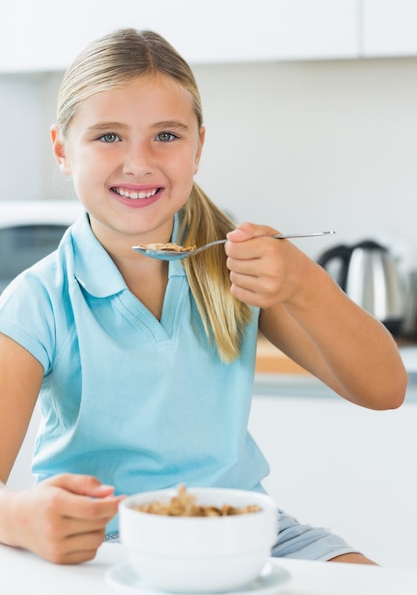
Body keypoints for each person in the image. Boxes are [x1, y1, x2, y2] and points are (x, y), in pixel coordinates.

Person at [0, 29, 407, 566]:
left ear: (198, 147)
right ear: (62, 150)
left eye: (166, 136)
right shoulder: (38, 300)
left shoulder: (235, 269)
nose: (139, 162)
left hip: (246, 529)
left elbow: (384, 389)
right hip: (105, 545)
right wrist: (22, 518)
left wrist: (304, 284)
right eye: (108, 137)